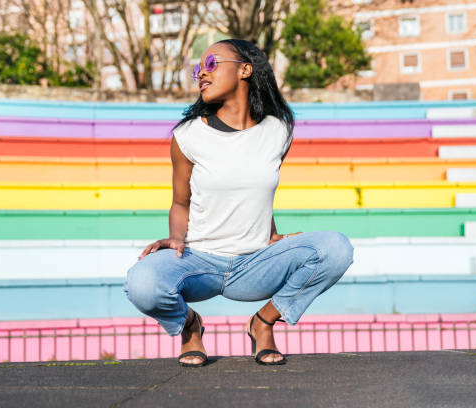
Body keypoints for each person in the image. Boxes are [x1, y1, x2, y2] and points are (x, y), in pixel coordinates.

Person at [124, 39, 354, 367]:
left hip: (256, 263)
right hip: (198, 262)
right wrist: (176, 239)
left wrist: (271, 234)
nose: (202, 73)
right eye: (197, 69)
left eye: (212, 64)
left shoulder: (279, 130)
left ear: (245, 69)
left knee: (336, 248)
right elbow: (180, 202)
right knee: (141, 282)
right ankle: (190, 326)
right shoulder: (187, 135)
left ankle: (261, 323)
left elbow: (257, 188)